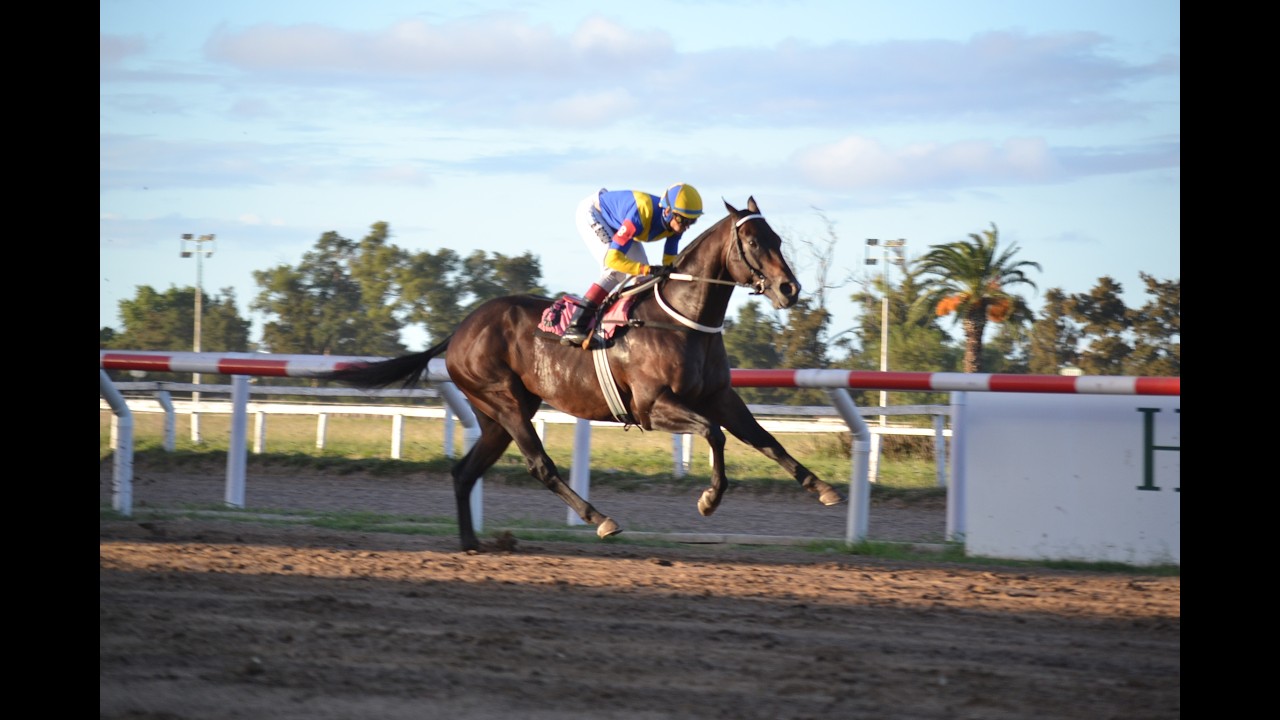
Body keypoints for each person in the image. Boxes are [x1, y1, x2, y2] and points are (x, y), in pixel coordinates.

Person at [561, 183, 704, 347]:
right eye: (683, 220)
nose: (686, 226)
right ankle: (575, 325)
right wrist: (647, 268)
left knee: (645, 279)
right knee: (615, 271)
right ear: (667, 211)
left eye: (692, 222)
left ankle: (630, 325)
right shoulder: (642, 213)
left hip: (620, 224)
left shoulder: (675, 226)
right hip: (594, 214)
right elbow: (612, 259)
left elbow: (669, 263)